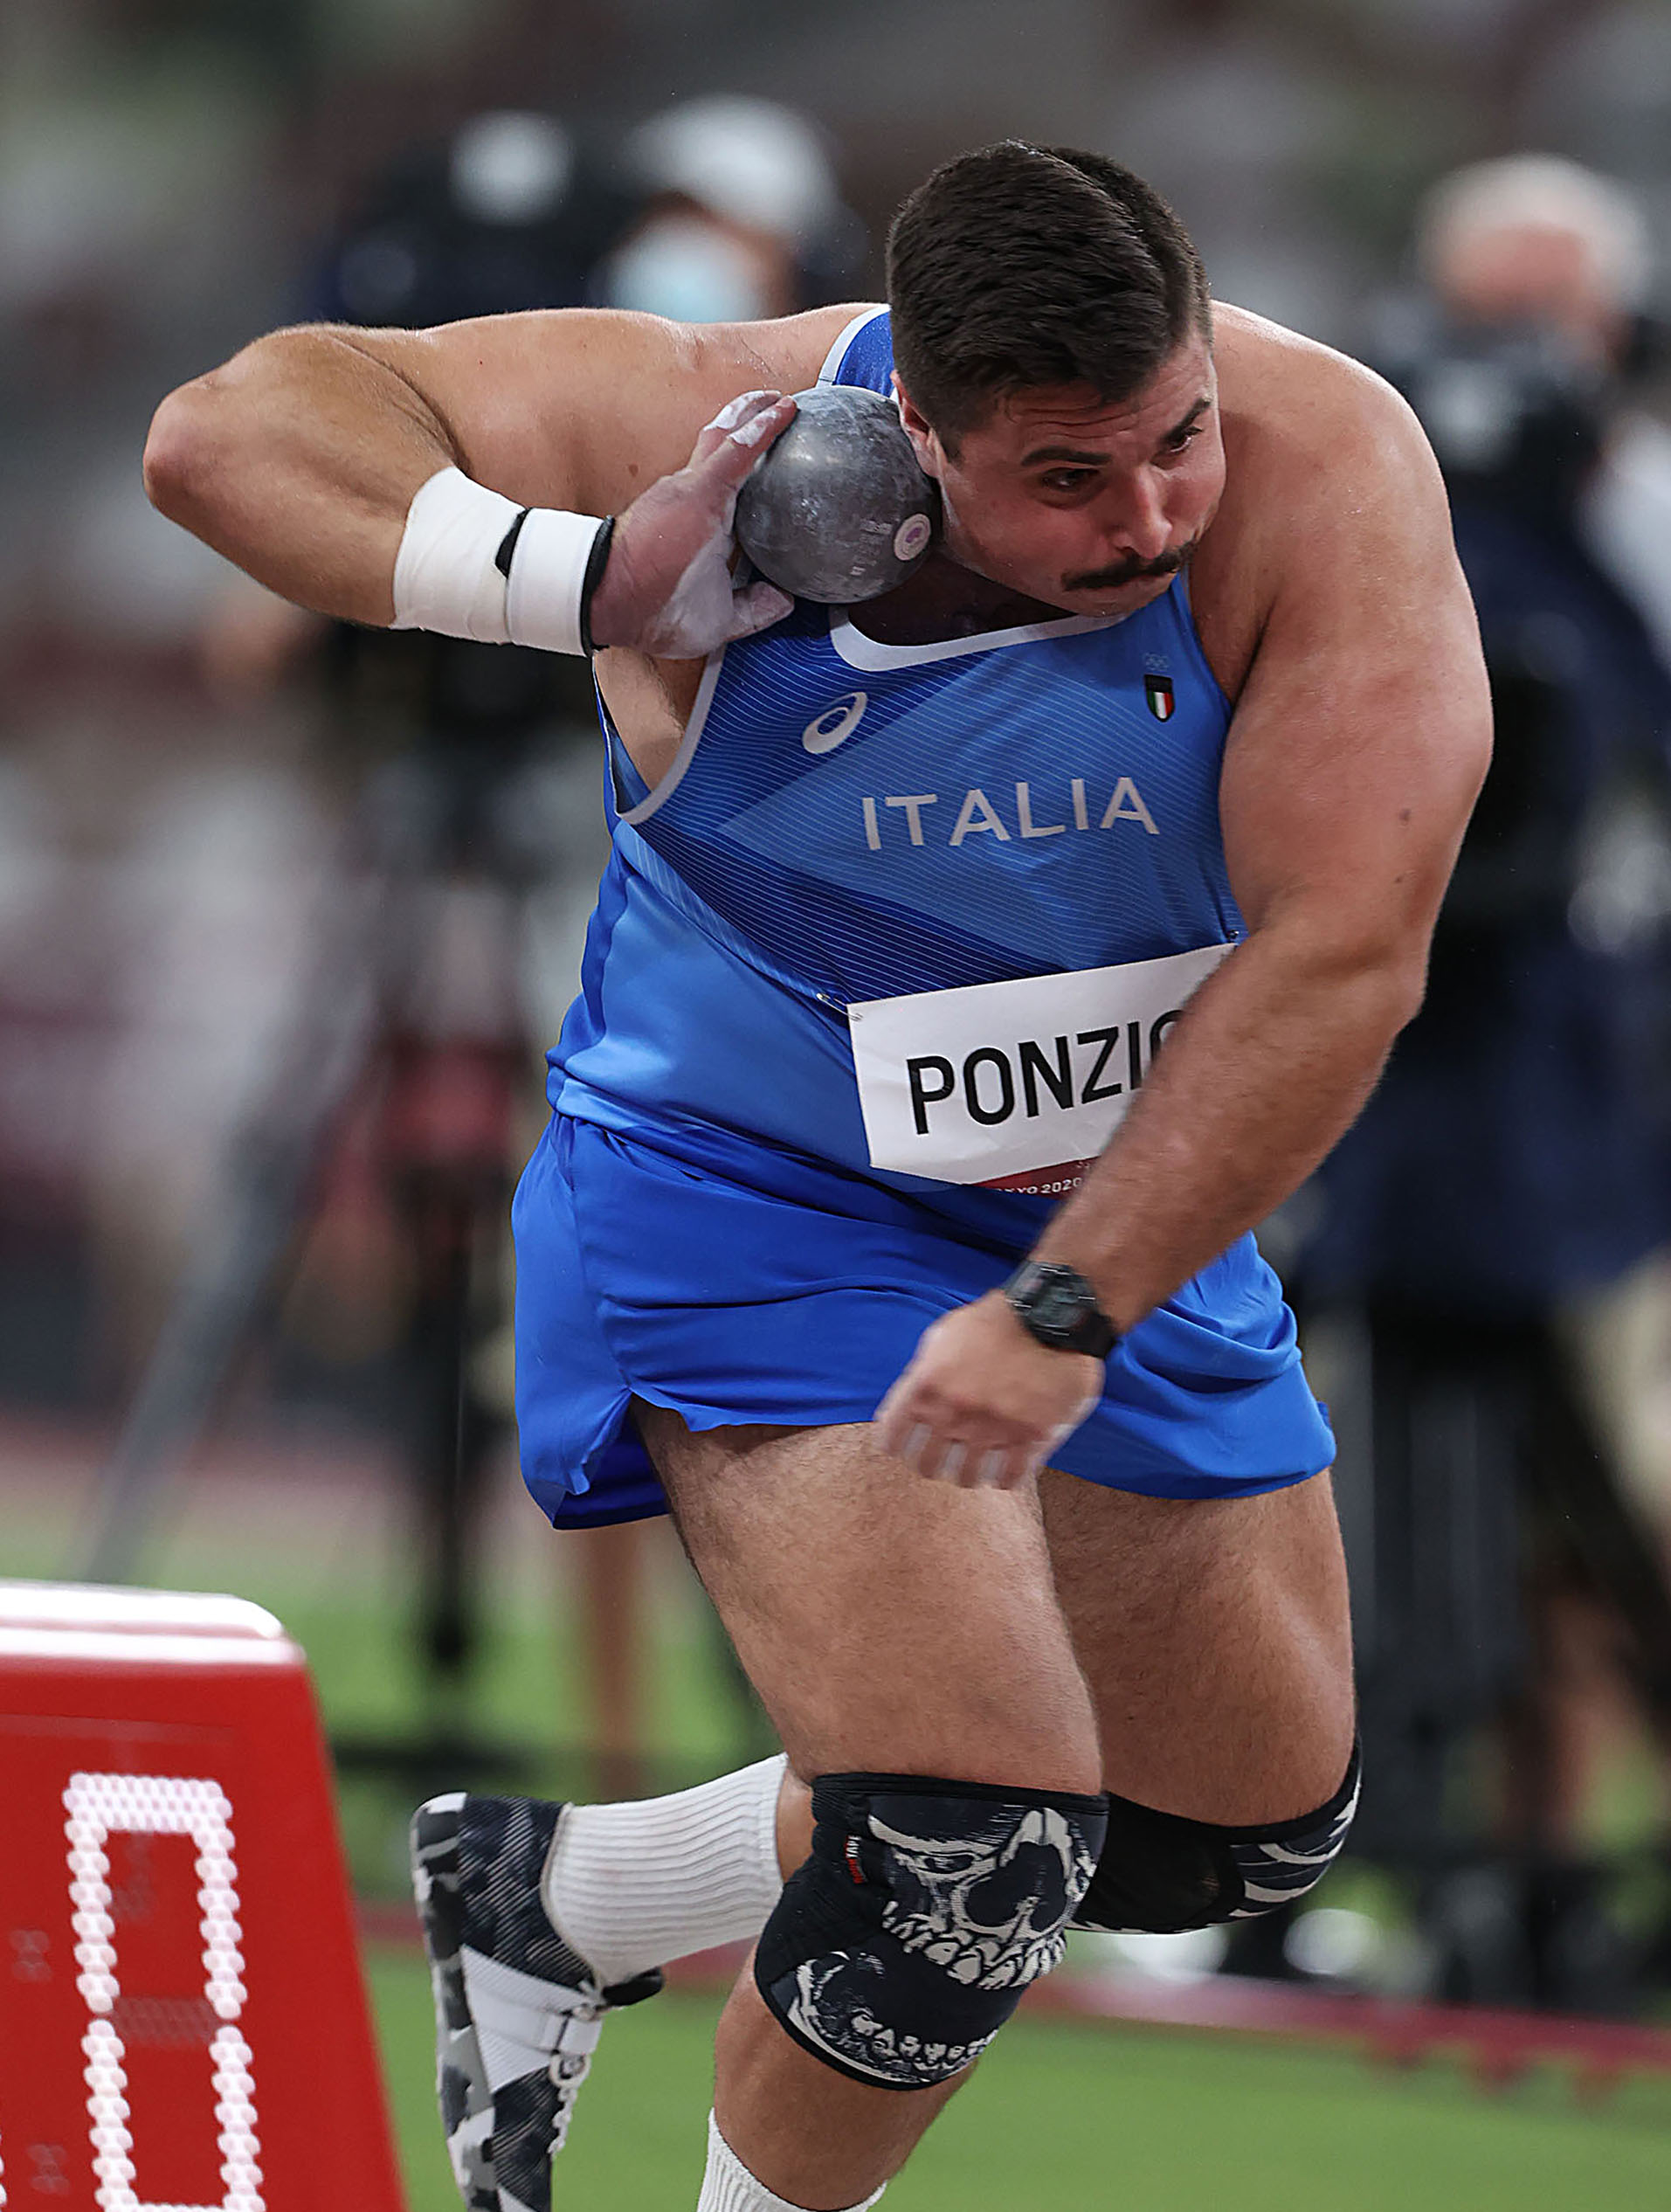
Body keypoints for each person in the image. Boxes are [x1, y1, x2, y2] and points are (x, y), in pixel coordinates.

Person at [144, 142, 1488, 2212]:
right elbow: (226, 435)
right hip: (758, 1193)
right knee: (966, 1848)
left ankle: (562, 1895)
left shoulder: (1325, 470)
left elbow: (1346, 955)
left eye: (1177, 440)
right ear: (919, 430)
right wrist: (583, 584)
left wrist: (1069, 1303)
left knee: (1225, 1834)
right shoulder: (713, 414)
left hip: (1115, 1195)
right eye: (1068, 477)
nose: (1150, 519)